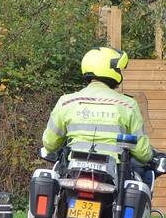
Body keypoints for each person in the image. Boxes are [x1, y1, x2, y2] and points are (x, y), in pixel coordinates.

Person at [41, 47, 154, 184]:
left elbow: (50, 143)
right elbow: (142, 152)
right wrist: (149, 156)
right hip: (113, 176)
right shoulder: (128, 105)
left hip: (74, 173)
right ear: (111, 70)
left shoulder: (67, 102)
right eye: (118, 69)